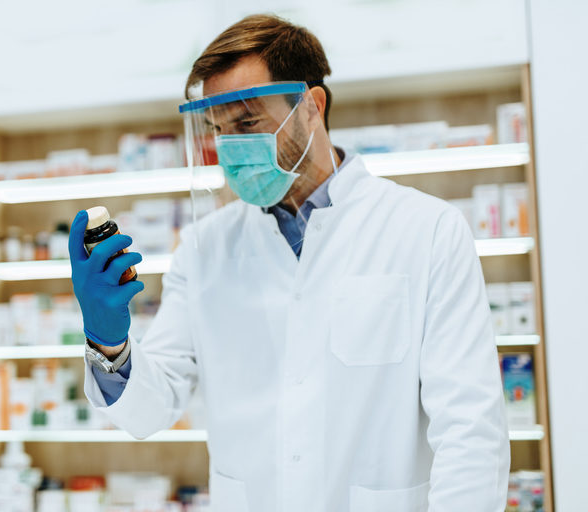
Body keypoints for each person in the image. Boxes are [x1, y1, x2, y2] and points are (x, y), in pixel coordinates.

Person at [68, 14, 509, 512]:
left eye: (248, 122)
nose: (229, 146)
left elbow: (471, 432)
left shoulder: (427, 230)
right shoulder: (202, 247)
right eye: (218, 129)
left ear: (311, 107)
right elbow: (149, 410)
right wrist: (109, 342)